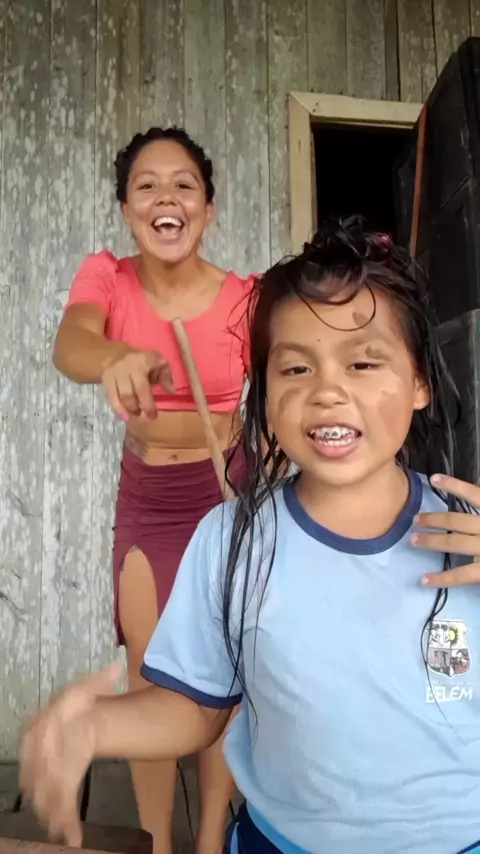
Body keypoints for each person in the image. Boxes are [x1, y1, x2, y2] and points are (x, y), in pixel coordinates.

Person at [22, 217, 480, 854]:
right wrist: (92, 726)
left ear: (420, 383)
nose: (327, 391)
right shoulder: (232, 540)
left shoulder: (468, 533)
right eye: (295, 369)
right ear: (264, 393)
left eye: (363, 362)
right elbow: (198, 709)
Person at [52, 126, 255, 854]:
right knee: (151, 676)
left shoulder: (247, 298)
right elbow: (72, 342)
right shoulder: (107, 278)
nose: (166, 196)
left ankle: (210, 841)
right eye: (146, 185)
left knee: (223, 673)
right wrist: (114, 356)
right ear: (127, 210)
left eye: (183, 185)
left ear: (208, 209)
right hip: (150, 495)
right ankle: (156, 844)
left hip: (228, 487)